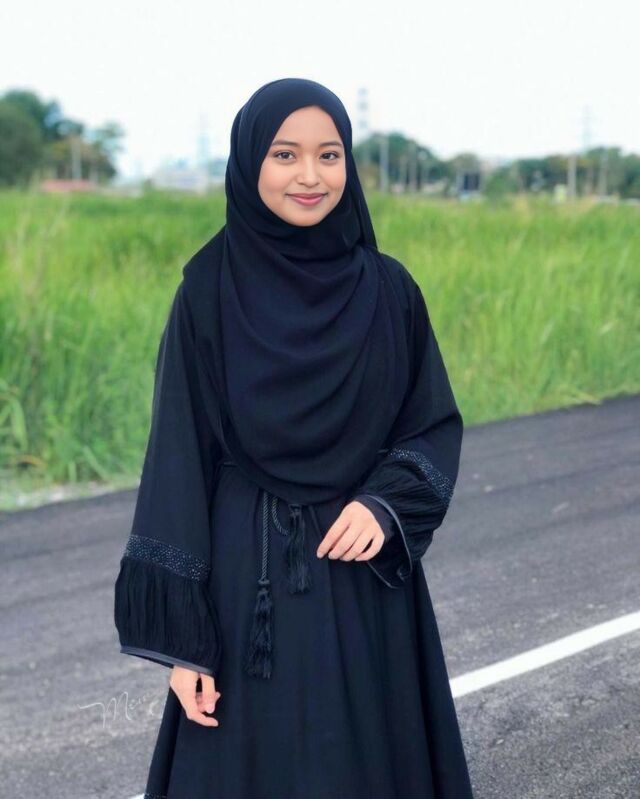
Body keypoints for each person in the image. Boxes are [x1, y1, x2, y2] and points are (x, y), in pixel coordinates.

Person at [114, 77, 475, 799]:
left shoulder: (389, 290)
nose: (310, 176)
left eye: (329, 155)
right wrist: (185, 646)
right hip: (247, 587)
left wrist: (385, 505)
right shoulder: (207, 291)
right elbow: (179, 460)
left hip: (361, 577)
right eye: (285, 154)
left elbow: (429, 422)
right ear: (251, 161)